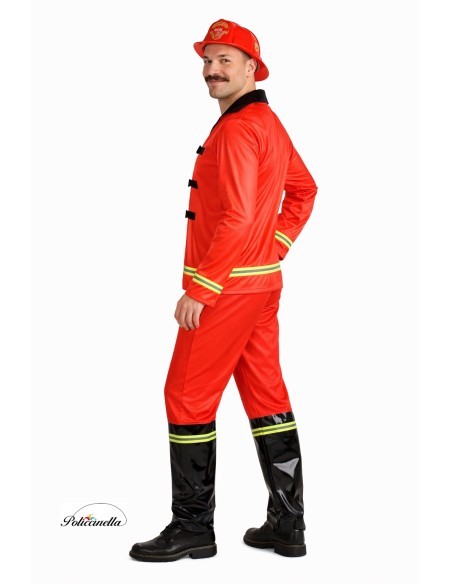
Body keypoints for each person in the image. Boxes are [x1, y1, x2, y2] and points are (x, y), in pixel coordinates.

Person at [129, 18, 318, 562]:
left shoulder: (237, 129)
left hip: (228, 290)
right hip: (261, 286)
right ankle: (288, 523)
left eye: (224, 61)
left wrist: (202, 289)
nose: (212, 70)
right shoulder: (269, 123)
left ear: (252, 68)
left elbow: (236, 216)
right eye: (207, 61)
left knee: (186, 395)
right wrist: (271, 247)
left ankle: (192, 526)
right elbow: (304, 190)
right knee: (267, 396)